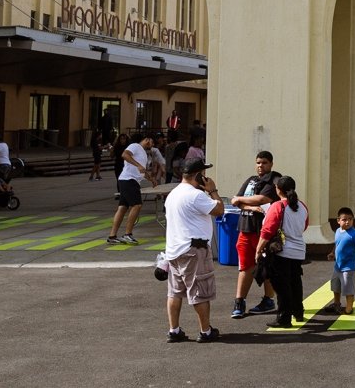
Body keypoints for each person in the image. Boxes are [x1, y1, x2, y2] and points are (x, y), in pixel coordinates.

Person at [163, 157, 224, 343]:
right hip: (193, 250)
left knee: (175, 292)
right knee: (200, 291)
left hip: (174, 250)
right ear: (197, 175)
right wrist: (212, 190)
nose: (206, 177)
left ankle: (174, 330)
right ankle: (205, 331)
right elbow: (219, 209)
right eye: (203, 174)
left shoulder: (173, 193)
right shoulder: (196, 195)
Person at [229, 150, 282, 318]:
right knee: (245, 267)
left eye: (264, 162)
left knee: (266, 267)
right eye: (258, 162)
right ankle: (239, 302)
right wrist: (249, 206)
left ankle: (268, 299)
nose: (261, 166)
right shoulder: (251, 180)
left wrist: (241, 200)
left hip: (263, 232)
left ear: (271, 164)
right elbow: (234, 200)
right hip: (245, 230)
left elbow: (262, 199)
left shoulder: (275, 180)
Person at [255, 175, 309, 329]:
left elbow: (267, 231)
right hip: (299, 251)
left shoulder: (278, 206)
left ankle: (284, 318)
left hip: (282, 251)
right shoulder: (302, 206)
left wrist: (258, 250)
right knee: (295, 282)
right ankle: (298, 312)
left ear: (278, 190)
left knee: (281, 286)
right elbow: (305, 226)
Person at [107, 132, 154, 245]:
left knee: (123, 207)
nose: (153, 144)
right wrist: (138, 165)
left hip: (128, 180)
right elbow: (125, 155)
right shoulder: (135, 146)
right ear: (147, 139)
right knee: (137, 205)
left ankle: (112, 236)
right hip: (129, 180)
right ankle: (128, 234)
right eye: (153, 141)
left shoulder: (143, 152)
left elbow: (141, 169)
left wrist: (151, 179)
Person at [327, 206, 355, 314]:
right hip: (338, 266)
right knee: (336, 286)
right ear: (338, 221)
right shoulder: (338, 232)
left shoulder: (354, 234)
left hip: (348, 268)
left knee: (348, 288)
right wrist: (332, 253)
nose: (348, 222)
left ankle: (349, 308)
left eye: (350, 219)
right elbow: (337, 244)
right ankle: (336, 303)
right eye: (344, 219)